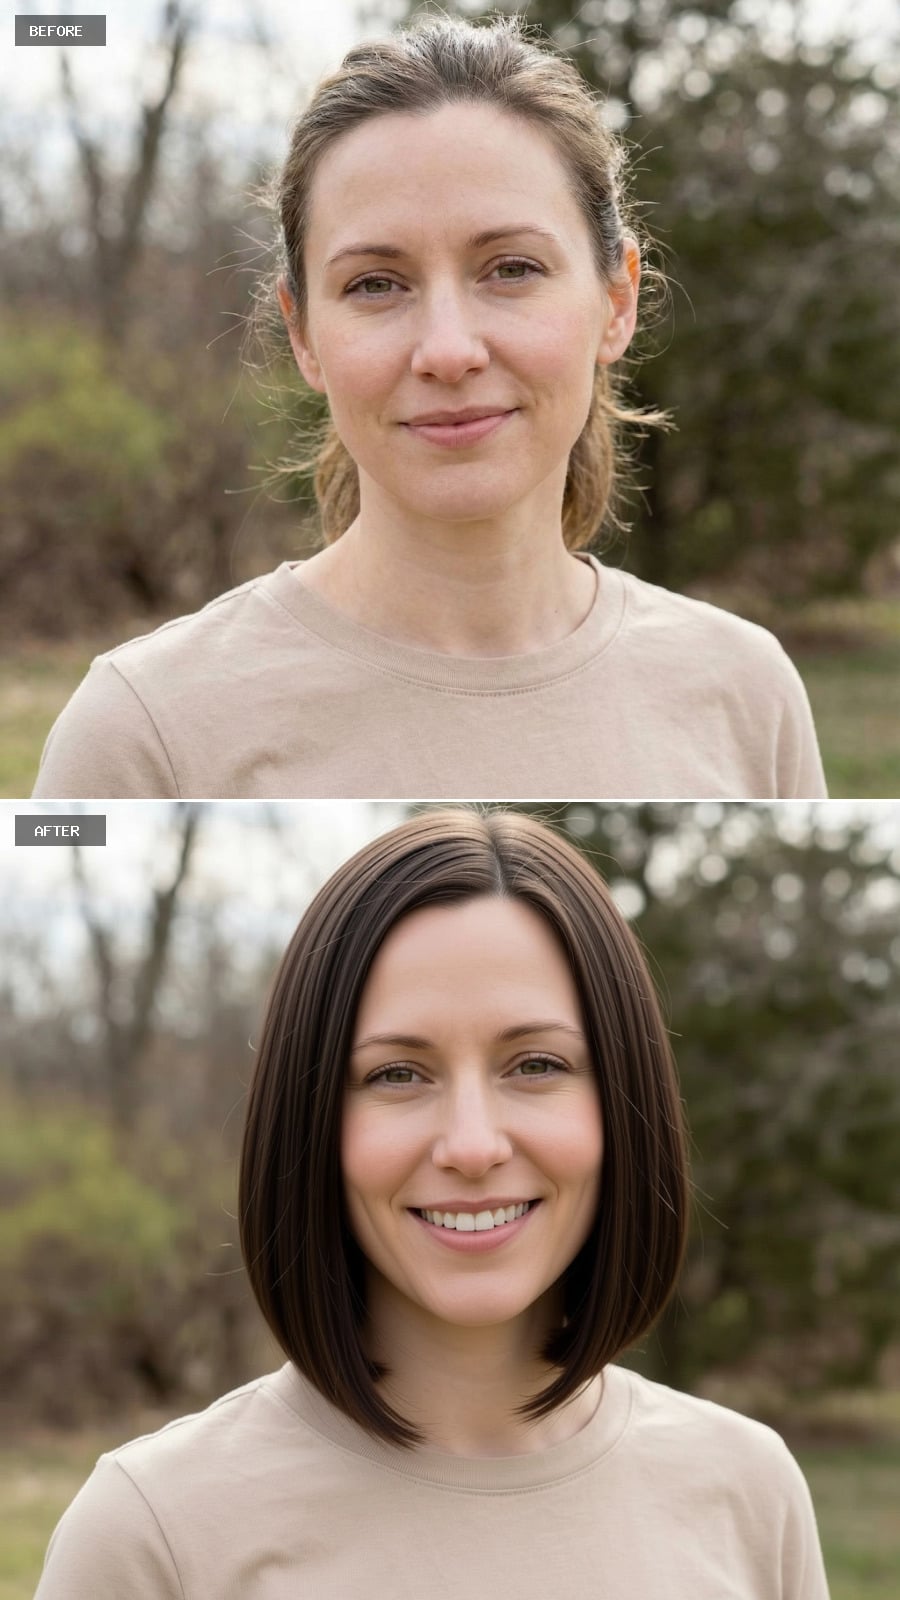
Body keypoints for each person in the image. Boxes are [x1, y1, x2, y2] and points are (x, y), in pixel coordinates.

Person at [35, 808, 831, 1598]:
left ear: (624, 1103)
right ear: (310, 1124)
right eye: (397, 1074)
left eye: (536, 1064)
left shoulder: (749, 1493)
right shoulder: (153, 1534)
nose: (473, 1145)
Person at [32, 14, 826, 800]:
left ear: (615, 300)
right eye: (376, 284)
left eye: (511, 268)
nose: (448, 351)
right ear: (304, 334)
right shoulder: (145, 735)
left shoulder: (747, 693)